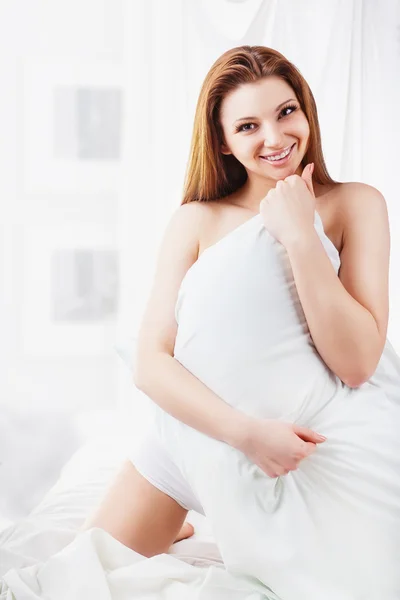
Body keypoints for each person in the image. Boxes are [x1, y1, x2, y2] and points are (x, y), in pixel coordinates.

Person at [80, 45, 400, 596]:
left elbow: (356, 362)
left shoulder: (354, 205)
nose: (274, 139)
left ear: (306, 112)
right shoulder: (196, 221)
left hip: (313, 449)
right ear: (223, 141)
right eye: (248, 125)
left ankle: (208, 516)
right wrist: (248, 436)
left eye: (285, 113)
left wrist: (300, 232)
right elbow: (152, 364)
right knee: (74, 574)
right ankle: (185, 517)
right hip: (205, 435)